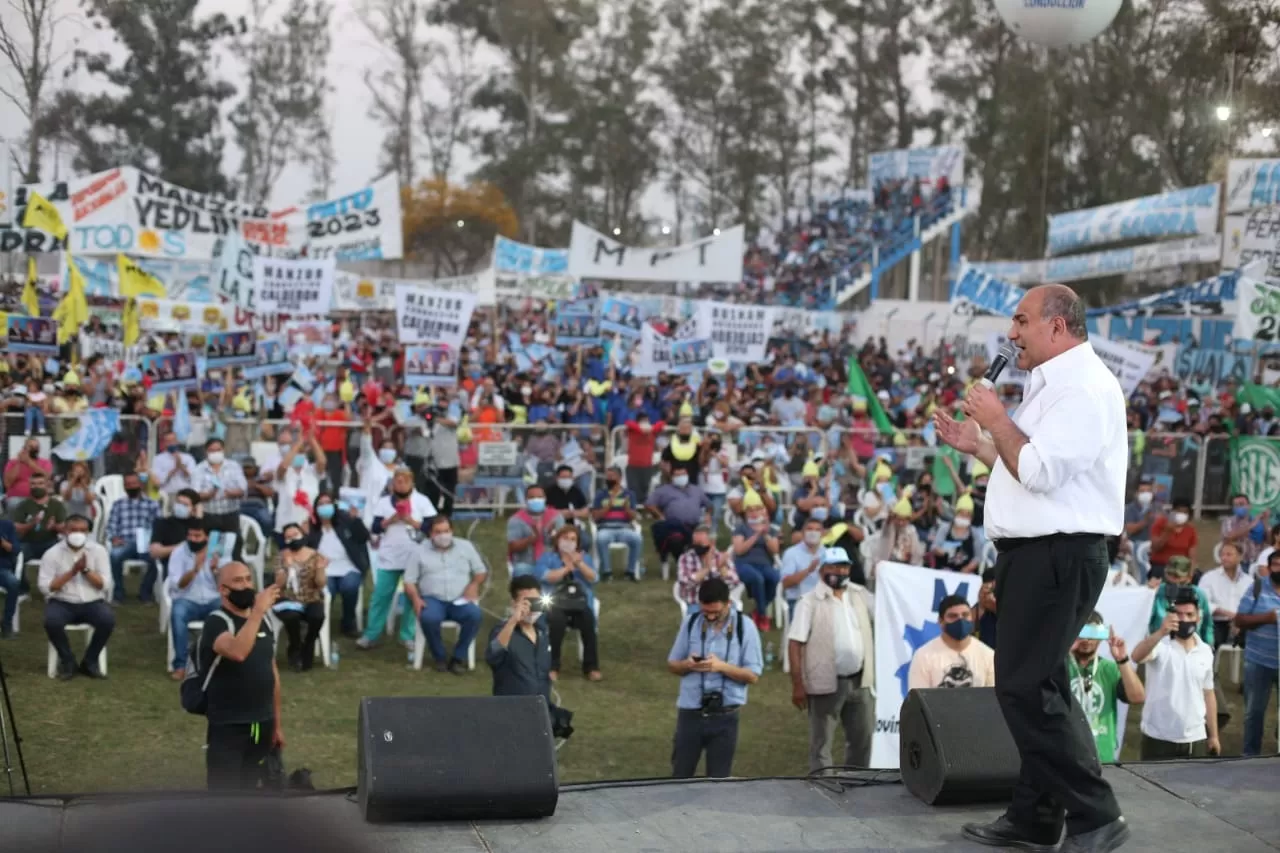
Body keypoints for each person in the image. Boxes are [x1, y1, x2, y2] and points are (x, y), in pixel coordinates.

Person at [935, 284, 1129, 853]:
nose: (1011, 333)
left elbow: (1040, 472)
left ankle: (1096, 816)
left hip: (1058, 554)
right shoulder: (1053, 384)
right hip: (1040, 553)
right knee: (1041, 686)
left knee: (1025, 688)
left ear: (1057, 326)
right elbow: (1029, 464)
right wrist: (980, 445)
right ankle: (1036, 816)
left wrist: (997, 418)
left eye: (1021, 321)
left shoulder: (1083, 388)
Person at [787, 547, 876, 772]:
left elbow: (885, 611)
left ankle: (856, 783)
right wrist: (798, 684)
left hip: (860, 680)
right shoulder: (809, 601)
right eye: (834, 567)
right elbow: (795, 643)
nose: (840, 571)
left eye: (844, 566)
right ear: (822, 571)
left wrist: (883, 574)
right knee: (822, 742)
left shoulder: (860, 594)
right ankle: (822, 787)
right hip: (825, 681)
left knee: (862, 739)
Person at [666, 577, 763, 778]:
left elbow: (752, 676)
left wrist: (721, 667)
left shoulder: (745, 627)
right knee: (680, 777)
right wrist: (688, 665)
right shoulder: (691, 623)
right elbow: (672, 665)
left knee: (719, 783)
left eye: (716, 612)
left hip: (725, 715)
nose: (710, 617)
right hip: (691, 713)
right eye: (705, 611)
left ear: (728, 603)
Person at [200, 561, 283, 790]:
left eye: (248, 579)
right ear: (223, 590)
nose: (246, 585)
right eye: (238, 581)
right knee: (223, 795)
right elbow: (238, 652)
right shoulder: (217, 622)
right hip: (229, 725)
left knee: (252, 789)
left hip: (260, 723)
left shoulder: (264, 621)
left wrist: (277, 724)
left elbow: (272, 673)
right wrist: (257, 612)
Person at [1132, 587, 1219, 759]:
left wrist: (1214, 736)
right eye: (1179, 614)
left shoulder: (1205, 651)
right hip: (1158, 736)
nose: (1184, 619)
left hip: (1195, 737)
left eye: (1189, 615)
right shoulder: (1160, 645)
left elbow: (1208, 694)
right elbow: (1136, 656)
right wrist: (1160, 632)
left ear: (1198, 617)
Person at [356, 468, 436, 650]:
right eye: (397, 482)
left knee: (411, 597)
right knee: (380, 596)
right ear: (392, 484)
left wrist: (410, 520)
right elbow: (375, 528)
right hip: (389, 557)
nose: (401, 485)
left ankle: (407, 635)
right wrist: (390, 520)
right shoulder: (384, 503)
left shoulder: (422, 501)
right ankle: (371, 634)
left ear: (411, 483)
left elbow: (431, 527)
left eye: (404, 481)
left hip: (414, 556)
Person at [403, 515, 487, 674]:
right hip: (432, 599)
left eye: (446, 531)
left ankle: (458, 657)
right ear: (431, 534)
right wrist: (415, 598)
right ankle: (439, 657)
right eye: (438, 532)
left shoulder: (465, 547)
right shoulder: (419, 551)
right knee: (428, 618)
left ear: (452, 531)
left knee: (474, 615)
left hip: (460, 598)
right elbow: (409, 581)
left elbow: (480, 571)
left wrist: (474, 585)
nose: (443, 535)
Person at [37, 515, 115, 680]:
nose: (78, 534)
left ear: (88, 532)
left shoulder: (98, 551)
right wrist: (72, 572)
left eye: (82, 530)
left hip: (92, 602)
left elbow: (104, 585)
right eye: (73, 530)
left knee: (107, 620)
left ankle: (90, 661)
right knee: (52, 622)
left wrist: (85, 570)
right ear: (65, 531)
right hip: (62, 602)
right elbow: (45, 587)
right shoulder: (52, 554)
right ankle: (68, 662)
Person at [1067, 613, 1145, 764]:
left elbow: (1138, 697)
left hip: (1102, 756)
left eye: (1093, 633)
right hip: (1066, 753)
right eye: (1082, 632)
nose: (1087, 640)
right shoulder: (1059, 667)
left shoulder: (1110, 669)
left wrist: (1122, 659)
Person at [530, 525, 602, 682]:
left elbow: (594, 578)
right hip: (554, 602)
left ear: (578, 543)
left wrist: (579, 564)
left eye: (573, 539)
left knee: (588, 620)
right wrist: (567, 568)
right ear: (558, 541)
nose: (569, 542)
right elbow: (545, 576)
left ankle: (591, 667)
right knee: (557, 622)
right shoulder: (547, 557)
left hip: (579, 603)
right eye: (565, 538)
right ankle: (553, 666)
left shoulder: (585, 558)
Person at [1232, 549, 1280, 757]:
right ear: (1269, 568)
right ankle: (1250, 756)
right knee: (1254, 712)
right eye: (1276, 564)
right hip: (1258, 661)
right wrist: (1268, 618)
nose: (1279, 568)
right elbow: (1240, 620)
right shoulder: (1257, 587)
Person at [166, 522, 226, 678]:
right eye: (190, 535)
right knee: (177, 614)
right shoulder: (179, 552)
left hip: (212, 599)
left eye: (197, 536)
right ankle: (181, 665)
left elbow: (225, 586)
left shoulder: (219, 552)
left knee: (227, 612)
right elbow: (178, 585)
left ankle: (221, 663)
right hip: (187, 599)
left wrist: (216, 570)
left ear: (207, 537)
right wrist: (194, 570)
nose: (193, 539)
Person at [306, 493, 369, 639]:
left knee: (350, 586)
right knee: (327, 590)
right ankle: (320, 623)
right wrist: (304, 534)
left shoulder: (345, 521)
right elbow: (305, 550)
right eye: (321, 504)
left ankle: (348, 623)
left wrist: (356, 520)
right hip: (324, 569)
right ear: (316, 508)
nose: (325, 506)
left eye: (328, 503)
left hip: (349, 566)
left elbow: (363, 537)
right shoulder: (312, 528)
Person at [486, 574, 553, 702]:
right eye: (525, 603)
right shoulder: (502, 631)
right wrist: (513, 620)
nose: (531, 609)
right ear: (514, 604)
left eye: (536, 602)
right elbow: (493, 656)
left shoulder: (543, 632)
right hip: (513, 707)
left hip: (541, 706)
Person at [907, 595, 995, 689]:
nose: (960, 620)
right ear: (940, 621)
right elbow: (919, 696)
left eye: (965, 615)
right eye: (953, 616)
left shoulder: (988, 655)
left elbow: (993, 696)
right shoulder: (923, 656)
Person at [273, 523, 328, 672]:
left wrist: (320, 569)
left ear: (302, 535)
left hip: (311, 597)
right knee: (292, 617)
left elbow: (321, 583)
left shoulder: (315, 555)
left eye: (295, 535)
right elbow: (279, 584)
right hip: (288, 598)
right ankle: (295, 646)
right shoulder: (281, 556)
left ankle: (308, 645)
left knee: (317, 617)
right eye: (288, 537)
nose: (293, 539)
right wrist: (286, 567)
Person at [106, 471, 161, 604]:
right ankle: (119, 594)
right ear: (124, 487)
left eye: (134, 483)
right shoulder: (118, 504)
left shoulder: (152, 504)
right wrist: (114, 538)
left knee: (157, 559)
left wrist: (154, 541)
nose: (131, 486)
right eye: (128, 484)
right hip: (124, 542)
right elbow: (111, 525)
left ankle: (145, 593)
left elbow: (159, 526)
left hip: (146, 543)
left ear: (140, 485)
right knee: (114, 556)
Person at [731, 494, 781, 631]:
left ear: (763, 511)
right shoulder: (741, 528)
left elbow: (775, 550)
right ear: (746, 512)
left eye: (757, 509)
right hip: (744, 564)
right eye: (750, 510)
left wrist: (765, 534)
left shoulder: (770, 529)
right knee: (757, 578)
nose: (754, 513)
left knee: (775, 578)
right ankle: (763, 616)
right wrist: (756, 535)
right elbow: (739, 550)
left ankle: (757, 612)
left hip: (765, 564)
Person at [646, 468, 711, 564]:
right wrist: (660, 515)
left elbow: (709, 505)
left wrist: (708, 515)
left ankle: (699, 563)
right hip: (674, 527)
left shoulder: (696, 490)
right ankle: (683, 563)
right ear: (672, 477)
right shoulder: (663, 491)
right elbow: (649, 504)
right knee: (675, 540)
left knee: (703, 539)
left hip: (695, 526)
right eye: (678, 475)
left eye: (683, 474)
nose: (681, 477)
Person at [591, 466, 642, 581]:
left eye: (611, 476)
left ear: (620, 478)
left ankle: (631, 572)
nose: (608, 479)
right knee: (601, 539)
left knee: (637, 539)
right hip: (606, 528)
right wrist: (607, 507)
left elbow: (634, 517)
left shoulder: (629, 494)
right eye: (607, 476)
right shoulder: (600, 494)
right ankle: (607, 572)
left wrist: (627, 509)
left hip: (624, 528)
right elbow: (595, 517)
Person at [1147, 557, 1212, 645]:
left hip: (1192, 644)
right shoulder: (1156, 592)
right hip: (1161, 645)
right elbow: (1144, 623)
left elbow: (1207, 625)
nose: (1173, 579)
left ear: (1189, 577)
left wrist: (1209, 644)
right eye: (1170, 574)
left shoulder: (1199, 595)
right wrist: (1148, 592)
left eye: (1177, 576)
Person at [193, 438, 248, 538]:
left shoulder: (234, 466)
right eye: (212, 450)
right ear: (206, 451)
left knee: (232, 543)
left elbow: (243, 488)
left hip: (230, 515)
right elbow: (195, 494)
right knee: (211, 545)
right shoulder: (199, 469)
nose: (215, 453)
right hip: (209, 515)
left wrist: (231, 493)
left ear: (223, 450)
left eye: (218, 450)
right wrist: (209, 495)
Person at [12, 470, 65, 570]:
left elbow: (65, 529)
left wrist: (54, 526)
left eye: (40, 483)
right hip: (28, 543)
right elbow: (16, 528)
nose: (36, 486)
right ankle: (20, 580)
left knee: (61, 555)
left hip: (50, 542)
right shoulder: (23, 505)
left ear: (47, 485)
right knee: (15, 556)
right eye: (33, 484)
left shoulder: (57, 505)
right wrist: (31, 524)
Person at [507, 486, 565, 576]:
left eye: (539, 497)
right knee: (521, 570)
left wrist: (552, 534)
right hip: (526, 563)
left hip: (550, 563)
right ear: (526, 500)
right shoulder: (516, 519)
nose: (536, 500)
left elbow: (563, 545)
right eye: (532, 497)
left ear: (545, 498)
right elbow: (512, 547)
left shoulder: (555, 517)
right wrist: (531, 539)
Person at [675, 524, 739, 606]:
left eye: (700, 543)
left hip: (719, 604)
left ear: (712, 542)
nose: (696, 547)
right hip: (696, 603)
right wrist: (706, 569)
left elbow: (734, 582)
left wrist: (721, 568)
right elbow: (685, 583)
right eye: (694, 543)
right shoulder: (685, 558)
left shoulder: (721, 557)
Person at [149, 489, 201, 579]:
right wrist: (181, 547)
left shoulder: (199, 525)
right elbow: (154, 552)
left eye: (185, 505)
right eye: (179, 503)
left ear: (193, 508)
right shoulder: (163, 523)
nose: (181, 507)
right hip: (172, 565)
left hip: (197, 565)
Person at [780, 517, 826, 618]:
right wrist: (808, 570)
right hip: (798, 601)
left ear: (823, 533)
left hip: (822, 601)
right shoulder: (791, 553)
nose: (813, 533)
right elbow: (785, 583)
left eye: (817, 530)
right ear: (803, 532)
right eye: (809, 529)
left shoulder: (827, 553)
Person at [1148, 498, 1197, 581]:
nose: (1181, 514)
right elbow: (1155, 548)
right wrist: (1167, 532)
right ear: (1172, 512)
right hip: (1162, 566)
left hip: (1182, 568)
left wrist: (1190, 574)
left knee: (1197, 577)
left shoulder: (1190, 530)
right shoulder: (1161, 524)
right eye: (1179, 511)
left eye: (1185, 512)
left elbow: (1192, 556)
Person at [4, 435, 52, 512]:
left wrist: (28, 462)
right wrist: (19, 462)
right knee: (14, 504)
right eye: (31, 447)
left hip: (38, 497)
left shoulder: (45, 462)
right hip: (17, 498)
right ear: (24, 448)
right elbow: (7, 483)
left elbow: (46, 476)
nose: (34, 449)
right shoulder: (12, 462)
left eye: (36, 447)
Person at [151, 429, 198, 497]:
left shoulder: (188, 458)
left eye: (173, 440)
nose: (171, 443)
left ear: (177, 441)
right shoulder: (158, 459)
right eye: (168, 441)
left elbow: (193, 477)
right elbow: (158, 480)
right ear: (164, 443)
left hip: (185, 494)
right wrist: (175, 469)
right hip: (167, 494)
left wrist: (180, 465)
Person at [0, 516, 18, 637]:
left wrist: (2, 543)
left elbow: (16, 549)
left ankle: (7, 624)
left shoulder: (7, 525)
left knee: (13, 583)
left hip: (2, 568)